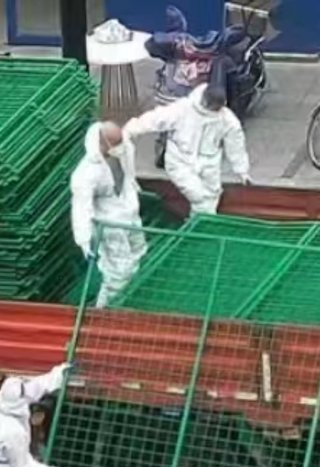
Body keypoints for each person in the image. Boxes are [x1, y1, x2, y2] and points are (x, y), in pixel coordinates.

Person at [124, 84, 251, 216]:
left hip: (209, 163)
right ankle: (200, 228)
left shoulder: (227, 119)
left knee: (212, 195)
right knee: (199, 196)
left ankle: (200, 227)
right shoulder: (183, 109)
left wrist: (242, 170)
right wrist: (131, 129)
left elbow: (235, 144)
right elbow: (156, 118)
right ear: (204, 101)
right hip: (180, 161)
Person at [70, 121, 147, 308]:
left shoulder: (123, 147)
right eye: (116, 144)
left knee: (139, 251)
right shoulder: (86, 174)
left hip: (129, 211)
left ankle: (134, 295)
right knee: (118, 271)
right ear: (103, 143)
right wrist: (85, 240)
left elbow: (128, 173)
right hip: (109, 224)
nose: (121, 147)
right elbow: (81, 208)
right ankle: (104, 309)